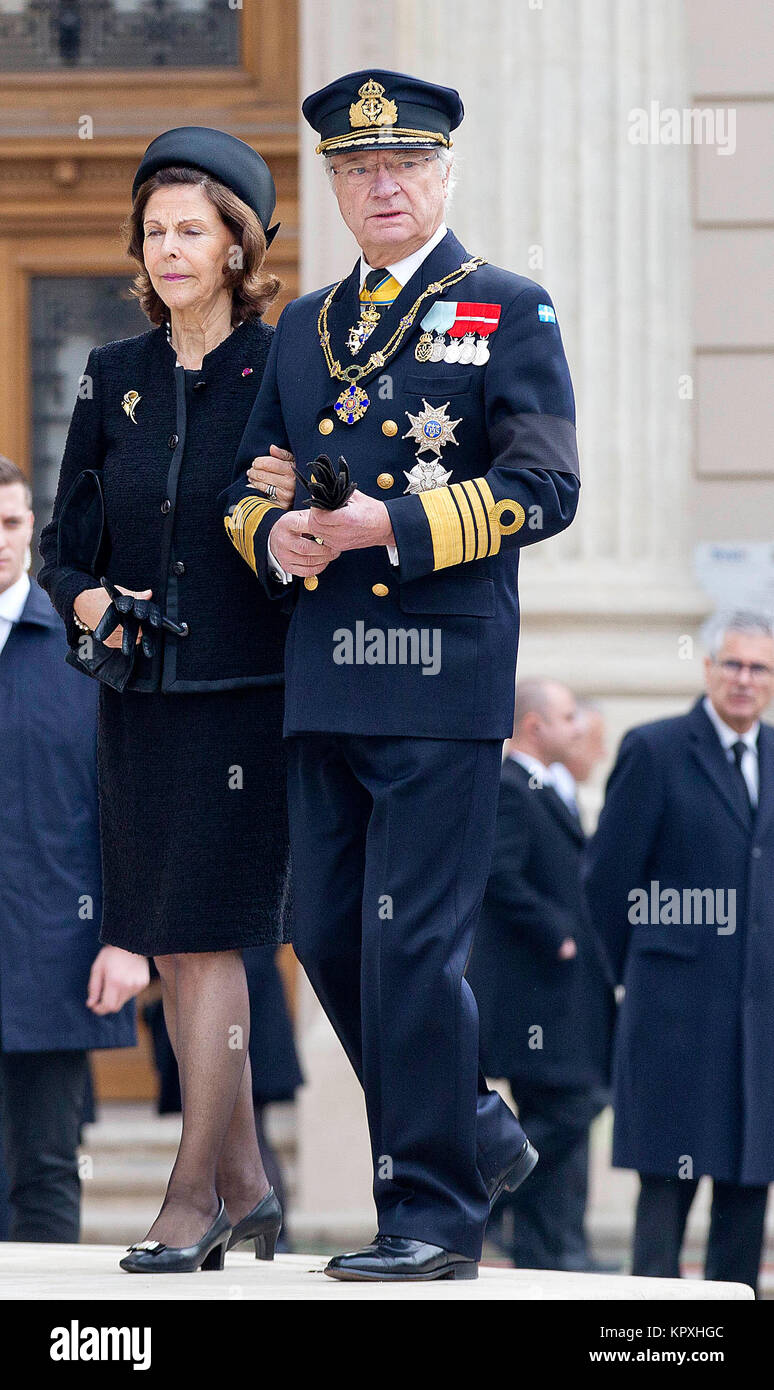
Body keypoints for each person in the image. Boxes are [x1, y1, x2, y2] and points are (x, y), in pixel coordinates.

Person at [222, 70, 581, 1281]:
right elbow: (248, 484)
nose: (383, 185)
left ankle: (431, 1213)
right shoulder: (305, 327)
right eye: (359, 170)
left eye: (405, 166)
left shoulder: (507, 308)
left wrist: (391, 527)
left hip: (438, 674)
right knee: (326, 933)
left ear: (444, 174)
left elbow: (544, 490)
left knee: (413, 950)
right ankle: (472, 1127)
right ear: (333, 184)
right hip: (323, 674)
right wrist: (270, 536)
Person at [38, 128, 295, 1274]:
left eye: (193, 228)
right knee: (175, 947)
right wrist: (89, 605)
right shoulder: (110, 373)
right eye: (156, 230)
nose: (171, 247)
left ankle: (194, 1194)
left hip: (247, 698)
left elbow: (322, 518)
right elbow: (60, 551)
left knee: (209, 939)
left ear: (239, 245)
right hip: (138, 699)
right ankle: (247, 1184)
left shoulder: (286, 369)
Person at [583, 610, 774, 1296]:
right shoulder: (657, 749)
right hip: (675, 1022)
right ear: (708, 668)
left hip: (760, 1024)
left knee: (748, 1195)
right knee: (665, 1199)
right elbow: (605, 886)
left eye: (760, 668)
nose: (745, 680)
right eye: (734, 664)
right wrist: (638, 980)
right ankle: (656, 1338)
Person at [0, 456, 146, 1243]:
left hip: (52, 948)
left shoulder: (83, 644)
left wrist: (128, 936)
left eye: (12, 522)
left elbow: (125, 802)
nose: (0, 540)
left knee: (47, 1167)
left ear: (32, 529)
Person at [467, 679, 616, 1270]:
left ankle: (554, 1248)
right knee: (570, 1108)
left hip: (561, 997)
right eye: (568, 715)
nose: (579, 727)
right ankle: (498, 1198)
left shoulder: (548, 787)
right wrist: (557, 932)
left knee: (570, 1111)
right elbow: (499, 875)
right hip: (535, 994)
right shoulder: (510, 786)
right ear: (534, 726)